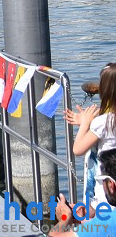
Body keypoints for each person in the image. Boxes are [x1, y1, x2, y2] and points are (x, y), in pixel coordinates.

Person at [68, 63, 116, 209]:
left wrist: (84, 124)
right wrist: (87, 124)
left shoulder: (104, 122)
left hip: (106, 190)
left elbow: (78, 149)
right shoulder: (105, 121)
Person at [52, 149, 116, 235]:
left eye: (103, 180)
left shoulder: (107, 223)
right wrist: (94, 214)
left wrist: (64, 218)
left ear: (111, 185)